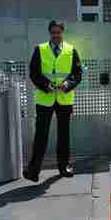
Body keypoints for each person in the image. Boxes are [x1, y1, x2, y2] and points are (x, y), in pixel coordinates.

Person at [23, 20, 83, 182]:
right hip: (45, 98)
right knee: (41, 135)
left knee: (64, 135)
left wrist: (68, 83)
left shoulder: (71, 50)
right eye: (53, 32)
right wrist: (45, 85)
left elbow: (77, 74)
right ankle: (33, 169)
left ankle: (64, 166)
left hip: (64, 98)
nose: (56, 35)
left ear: (63, 32)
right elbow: (34, 73)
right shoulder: (40, 49)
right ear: (49, 33)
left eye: (59, 32)